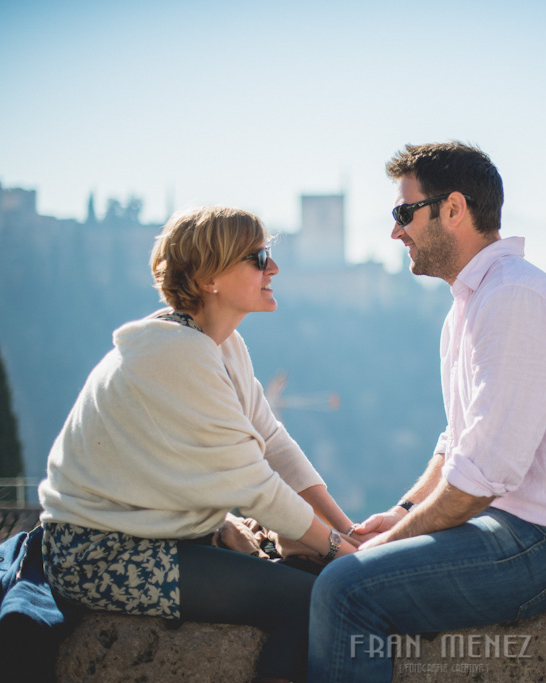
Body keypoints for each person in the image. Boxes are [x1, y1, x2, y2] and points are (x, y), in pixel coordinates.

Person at [307, 142, 546, 681]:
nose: (395, 232)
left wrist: (385, 545)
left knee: (346, 588)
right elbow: (459, 440)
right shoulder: (473, 303)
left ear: (453, 209)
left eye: (403, 213)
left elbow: (484, 476)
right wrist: (406, 511)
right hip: (515, 525)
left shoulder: (515, 298)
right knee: (328, 572)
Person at [38, 205, 357, 683]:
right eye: (258, 257)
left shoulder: (219, 343)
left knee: (318, 574)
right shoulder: (175, 354)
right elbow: (257, 488)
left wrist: (346, 531)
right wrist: (343, 553)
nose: (273, 268)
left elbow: (272, 442)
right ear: (211, 277)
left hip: (156, 533)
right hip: (99, 554)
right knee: (311, 601)